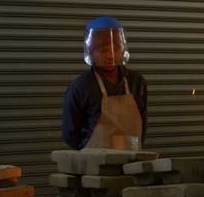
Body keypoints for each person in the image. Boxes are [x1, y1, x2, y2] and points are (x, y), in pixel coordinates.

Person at [62, 17, 148, 150]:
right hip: (94, 164)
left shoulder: (136, 82)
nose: (110, 56)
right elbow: (70, 134)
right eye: (103, 51)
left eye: (116, 49)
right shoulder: (80, 87)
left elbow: (142, 124)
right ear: (91, 53)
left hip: (131, 161)